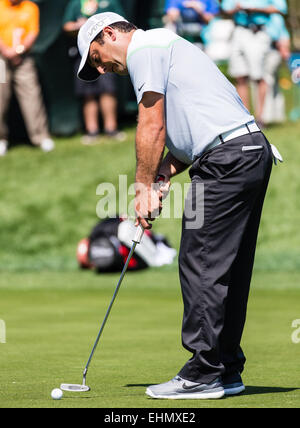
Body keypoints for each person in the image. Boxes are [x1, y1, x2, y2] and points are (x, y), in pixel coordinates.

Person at [76, 12, 282, 399]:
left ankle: (204, 372)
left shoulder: (145, 48)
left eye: (97, 57)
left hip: (226, 160)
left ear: (108, 33)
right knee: (228, 266)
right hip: (248, 152)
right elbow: (196, 125)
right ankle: (226, 368)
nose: (101, 68)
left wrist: (140, 191)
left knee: (200, 259)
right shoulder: (166, 47)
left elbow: (151, 124)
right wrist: (163, 174)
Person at [63, 0, 126, 144]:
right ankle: (92, 131)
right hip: (83, 56)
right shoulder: (75, 4)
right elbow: (66, 25)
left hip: (107, 53)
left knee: (108, 90)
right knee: (87, 93)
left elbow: (122, 23)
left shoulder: (109, 2)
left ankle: (111, 129)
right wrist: (78, 26)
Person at [221, 0, 288, 128]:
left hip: (257, 31)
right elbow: (225, 8)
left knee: (259, 76)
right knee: (240, 76)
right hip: (239, 30)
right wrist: (236, 8)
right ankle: (245, 119)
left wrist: (255, 9)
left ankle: (260, 118)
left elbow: (280, 9)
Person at [0, 0, 55, 156]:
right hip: (1, 59)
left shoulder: (30, 8)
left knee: (31, 96)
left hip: (23, 58)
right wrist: (7, 51)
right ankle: (1, 140)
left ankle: (40, 137)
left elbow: (32, 32)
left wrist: (18, 51)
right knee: (0, 98)